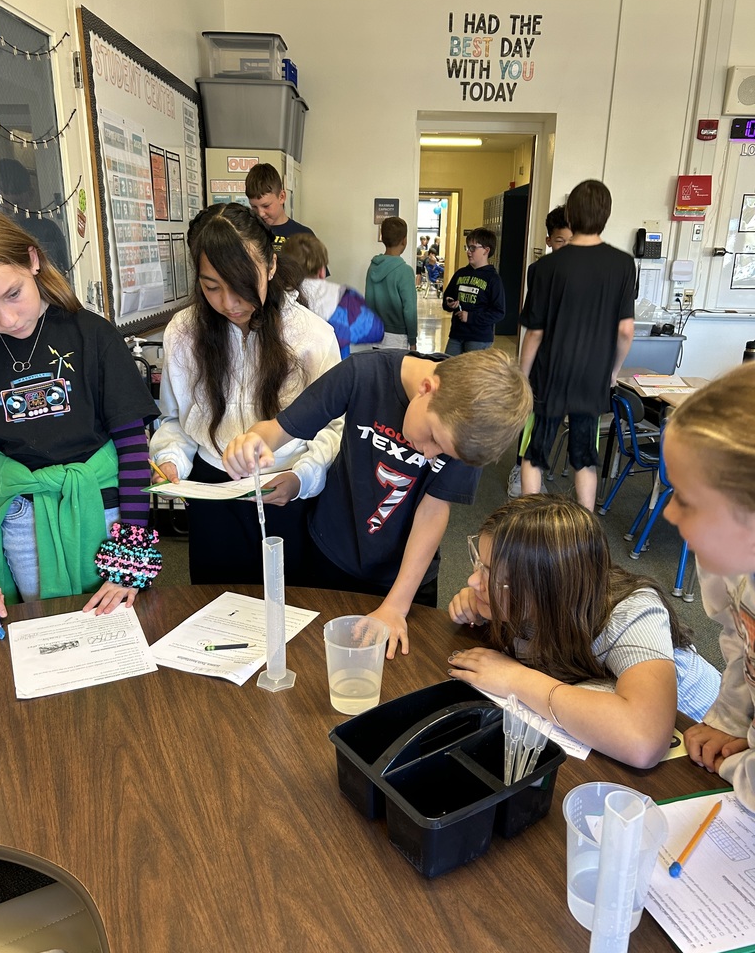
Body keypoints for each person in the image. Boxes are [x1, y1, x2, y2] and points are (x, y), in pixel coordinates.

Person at [222, 347, 532, 658]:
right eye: (434, 438)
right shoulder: (363, 373)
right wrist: (252, 443)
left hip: (405, 576)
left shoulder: (474, 425)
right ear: (427, 389)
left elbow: (433, 509)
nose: (428, 455)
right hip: (333, 552)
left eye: (443, 453)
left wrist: (397, 604)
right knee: (315, 659)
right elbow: (275, 431)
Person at [447, 495, 721, 768]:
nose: (473, 581)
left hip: (707, 737)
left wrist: (515, 679)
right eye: (480, 564)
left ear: (547, 589)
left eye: (493, 576)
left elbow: (643, 742)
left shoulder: (633, 613)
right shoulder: (539, 602)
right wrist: (487, 609)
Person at [148, 203, 342, 585]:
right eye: (211, 287)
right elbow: (175, 419)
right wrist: (170, 460)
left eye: (241, 285)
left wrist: (302, 478)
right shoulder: (183, 333)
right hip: (211, 490)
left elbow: (335, 429)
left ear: (271, 266)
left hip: (287, 490)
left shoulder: (312, 336)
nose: (229, 303)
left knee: (292, 610)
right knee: (214, 610)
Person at [0, 207, 160, 616]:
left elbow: (134, 452)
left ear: (32, 260)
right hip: (20, 522)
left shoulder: (92, 334)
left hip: (108, 516)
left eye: (13, 294)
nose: (6, 319)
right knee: (40, 630)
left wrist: (129, 555)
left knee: (119, 626)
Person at [662, 365, 755, 813]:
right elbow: (742, 643)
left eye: (687, 499)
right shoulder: (728, 567)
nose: (669, 514)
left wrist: (737, 767)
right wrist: (732, 721)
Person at [519, 181, 635, 510]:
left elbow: (535, 333)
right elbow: (625, 330)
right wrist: (612, 372)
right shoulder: (623, 264)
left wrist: (522, 376)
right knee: (585, 455)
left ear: (570, 213)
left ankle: (529, 523)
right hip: (592, 375)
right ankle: (584, 527)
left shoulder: (546, 267)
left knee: (536, 451)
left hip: (550, 374)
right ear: (606, 216)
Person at [507, 205, 573, 498]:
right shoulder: (539, 272)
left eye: (572, 241)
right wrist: (523, 371)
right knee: (534, 415)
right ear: (549, 240)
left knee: (554, 419)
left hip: (572, 360)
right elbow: (534, 326)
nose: (566, 248)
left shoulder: (587, 273)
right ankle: (520, 469)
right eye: (560, 241)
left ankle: (538, 468)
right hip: (544, 359)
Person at [281, 233, 383, 358]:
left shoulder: (274, 299)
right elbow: (376, 330)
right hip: (334, 372)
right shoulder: (344, 299)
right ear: (322, 271)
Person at [441, 227, 505, 355]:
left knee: (472, 374)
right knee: (447, 369)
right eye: (467, 248)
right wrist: (449, 303)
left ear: (486, 250)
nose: (468, 252)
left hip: (478, 338)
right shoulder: (460, 274)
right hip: (456, 335)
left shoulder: (493, 279)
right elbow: (447, 298)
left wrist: (470, 317)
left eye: (473, 248)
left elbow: (498, 312)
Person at [365, 217, 418, 349]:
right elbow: (410, 309)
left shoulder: (373, 267)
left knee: (378, 369)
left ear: (382, 238)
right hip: (397, 336)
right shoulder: (405, 271)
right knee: (395, 370)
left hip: (376, 333)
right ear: (404, 240)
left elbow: (369, 301)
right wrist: (412, 341)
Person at [245, 163, 314, 253]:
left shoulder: (304, 236)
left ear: (281, 197)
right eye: (254, 207)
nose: (260, 213)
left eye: (266, 206)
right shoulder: (246, 234)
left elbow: (318, 267)